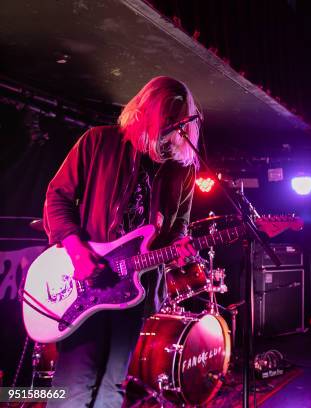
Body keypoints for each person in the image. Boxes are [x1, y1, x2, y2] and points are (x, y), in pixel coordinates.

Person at [43, 76, 200, 407]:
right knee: (76, 382)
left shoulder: (181, 170)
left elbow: (179, 228)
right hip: (89, 281)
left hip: (135, 291)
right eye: (167, 120)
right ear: (147, 112)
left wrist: (180, 248)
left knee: (113, 386)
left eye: (179, 121)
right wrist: (77, 252)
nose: (172, 129)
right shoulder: (98, 142)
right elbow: (57, 198)